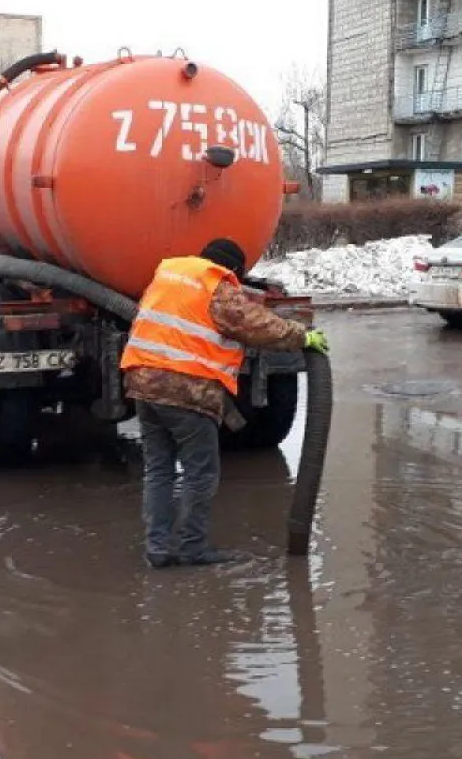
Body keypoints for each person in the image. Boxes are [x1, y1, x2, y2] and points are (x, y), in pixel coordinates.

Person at [121, 239, 330, 569]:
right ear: (232, 268)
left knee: (159, 469)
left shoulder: (169, 274)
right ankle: (193, 548)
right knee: (200, 473)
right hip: (185, 388)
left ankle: (157, 548)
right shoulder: (216, 284)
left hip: (143, 385)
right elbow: (255, 324)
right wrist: (302, 336)